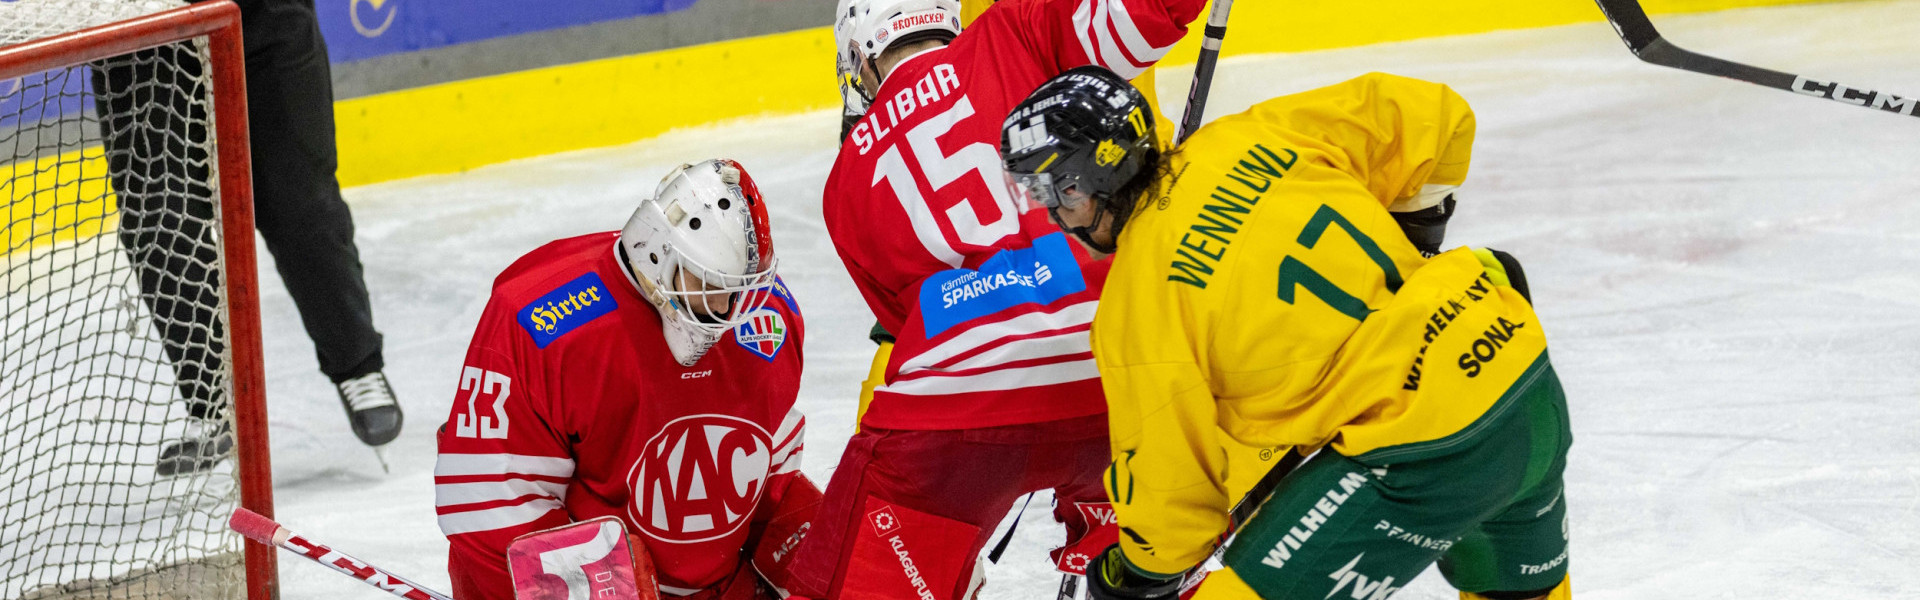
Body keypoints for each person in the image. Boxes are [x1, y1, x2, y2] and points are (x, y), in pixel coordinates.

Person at [998, 69, 1573, 600]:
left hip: (1421, 452)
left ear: (1094, 179)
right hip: (1519, 373)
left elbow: (1170, 495)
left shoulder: (1138, 305)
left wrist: (1136, 571)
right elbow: (1431, 114)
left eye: (1055, 193)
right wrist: (1417, 231)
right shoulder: (1254, 134)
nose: (1053, 216)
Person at [790, 0, 1205, 597]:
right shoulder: (1013, 29)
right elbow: (1143, 17)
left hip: (961, 403)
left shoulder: (845, 182)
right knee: (1154, 569)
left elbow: (907, 324)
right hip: (1116, 363)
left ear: (859, 58)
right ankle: (1123, 545)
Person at [434, 160, 819, 600]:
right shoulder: (543, 320)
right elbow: (489, 498)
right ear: (659, 253)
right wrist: (591, 587)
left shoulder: (765, 318)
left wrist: (798, 546)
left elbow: (767, 454)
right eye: (710, 283)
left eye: (737, 288)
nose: (728, 307)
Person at [91, 0, 399, 476]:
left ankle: (356, 364)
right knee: (160, 219)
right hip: (140, 23)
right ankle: (211, 404)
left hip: (265, 12)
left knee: (303, 204)